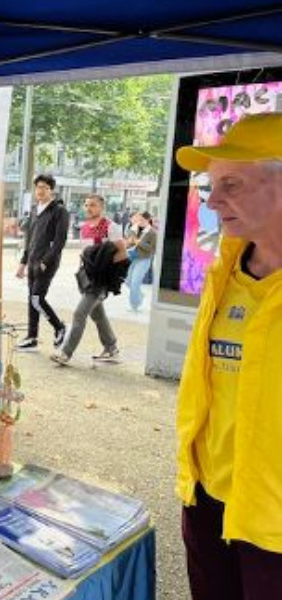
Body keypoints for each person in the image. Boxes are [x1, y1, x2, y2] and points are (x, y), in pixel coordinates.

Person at [174, 112, 282, 600]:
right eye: (211, 186)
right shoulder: (225, 271)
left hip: (274, 525)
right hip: (208, 499)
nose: (213, 201)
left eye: (231, 183)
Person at [50, 194, 126, 365]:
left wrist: (103, 267)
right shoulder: (84, 227)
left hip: (100, 280)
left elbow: (123, 253)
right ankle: (112, 348)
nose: (89, 208)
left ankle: (65, 353)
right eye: (86, 205)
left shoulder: (111, 227)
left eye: (93, 205)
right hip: (86, 278)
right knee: (98, 315)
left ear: (101, 207)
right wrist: (82, 273)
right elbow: (85, 253)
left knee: (79, 314)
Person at [15, 174, 69, 351]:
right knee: (32, 298)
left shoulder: (59, 211)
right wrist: (23, 263)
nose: (40, 190)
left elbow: (60, 241)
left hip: (47, 262)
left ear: (51, 190)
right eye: (38, 187)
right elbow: (30, 239)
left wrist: (46, 261)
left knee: (37, 298)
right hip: (32, 261)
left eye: (45, 187)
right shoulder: (34, 209)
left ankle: (59, 326)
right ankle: (32, 337)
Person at [125, 211, 157, 311]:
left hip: (144, 260)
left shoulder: (152, 233)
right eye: (138, 219)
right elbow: (128, 243)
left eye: (142, 220)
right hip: (132, 258)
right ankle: (140, 295)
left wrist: (139, 242)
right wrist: (128, 242)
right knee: (128, 282)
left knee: (135, 283)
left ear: (148, 220)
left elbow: (152, 249)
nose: (139, 221)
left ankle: (135, 305)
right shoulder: (132, 229)